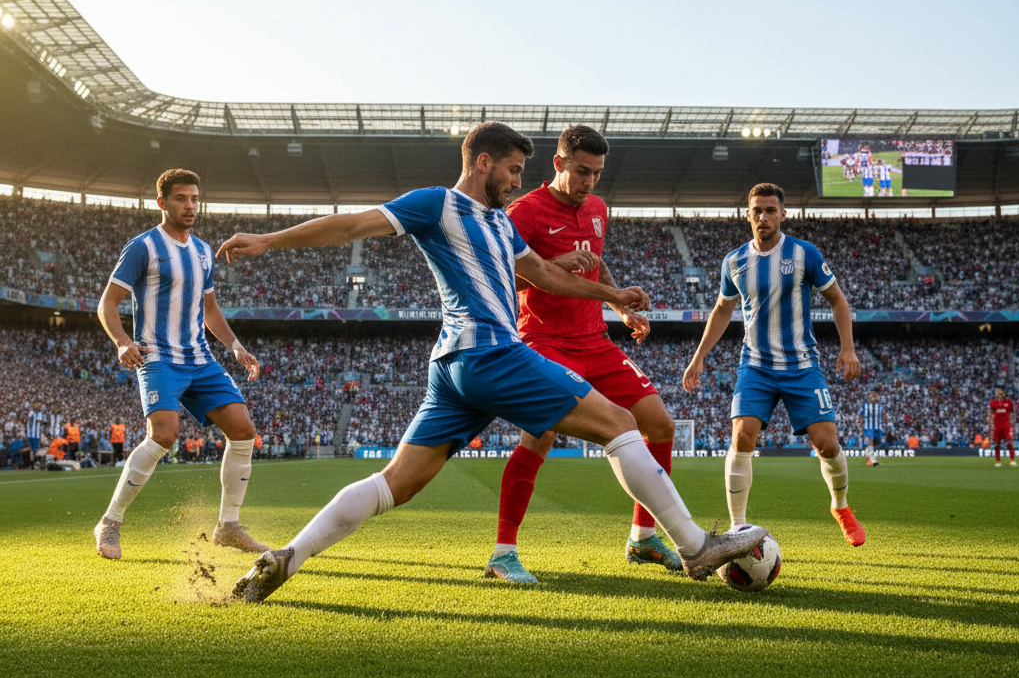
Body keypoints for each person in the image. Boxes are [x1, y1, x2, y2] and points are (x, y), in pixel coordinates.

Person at [218, 122, 767, 602]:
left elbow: (546, 276)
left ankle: (288, 557)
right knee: (621, 424)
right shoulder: (437, 204)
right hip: (489, 352)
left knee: (396, 483)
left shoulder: (502, 225)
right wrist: (268, 239)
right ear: (483, 163)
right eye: (511, 169)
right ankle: (695, 547)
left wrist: (613, 297)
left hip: (452, 369)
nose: (517, 180)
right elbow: (352, 225)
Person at [484, 125, 680, 584]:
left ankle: (642, 536)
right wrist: (550, 270)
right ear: (558, 164)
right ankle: (503, 553)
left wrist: (619, 306)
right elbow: (498, 280)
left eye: (596, 174)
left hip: (596, 341)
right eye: (581, 171)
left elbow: (597, 260)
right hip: (545, 342)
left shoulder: (596, 208)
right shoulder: (525, 211)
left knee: (660, 425)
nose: (589, 182)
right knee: (540, 436)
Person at [92, 168, 269, 560]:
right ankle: (111, 522)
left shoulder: (205, 251)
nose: (189, 206)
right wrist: (123, 342)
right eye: (180, 199)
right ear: (162, 203)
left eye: (194, 198)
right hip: (158, 356)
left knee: (243, 430)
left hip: (200, 357)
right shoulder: (143, 247)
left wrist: (236, 346)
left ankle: (229, 527)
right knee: (165, 434)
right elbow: (108, 303)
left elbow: (209, 308)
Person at [682, 182, 866, 547]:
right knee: (742, 434)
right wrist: (699, 356)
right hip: (755, 366)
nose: (763, 217)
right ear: (747, 214)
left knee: (827, 444)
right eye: (757, 211)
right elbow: (722, 310)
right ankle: (738, 528)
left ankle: (841, 506)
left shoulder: (804, 253)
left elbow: (838, 301)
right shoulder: (734, 261)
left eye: (770, 210)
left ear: (783, 214)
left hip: (801, 364)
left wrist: (848, 348)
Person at [989, 387, 1016, 467]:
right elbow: (991, 414)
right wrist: (991, 426)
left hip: (1006, 425)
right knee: (997, 444)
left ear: (1004, 392)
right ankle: (998, 461)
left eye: (1000, 392)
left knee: (1009, 442)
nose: (999, 393)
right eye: (998, 392)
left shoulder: (1008, 402)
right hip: (997, 426)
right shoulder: (993, 403)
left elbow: (1012, 414)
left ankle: (1012, 460)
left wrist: (1012, 425)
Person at [860, 391, 884, 466]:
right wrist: (862, 425)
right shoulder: (865, 406)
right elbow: (860, 416)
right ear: (870, 398)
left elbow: (883, 415)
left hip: (878, 427)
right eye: (872, 397)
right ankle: (873, 460)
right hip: (868, 427)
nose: (874, 398)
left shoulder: (880, 406)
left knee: (876, 444)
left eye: (875, 397)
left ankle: (867, 453)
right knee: (871, 441)